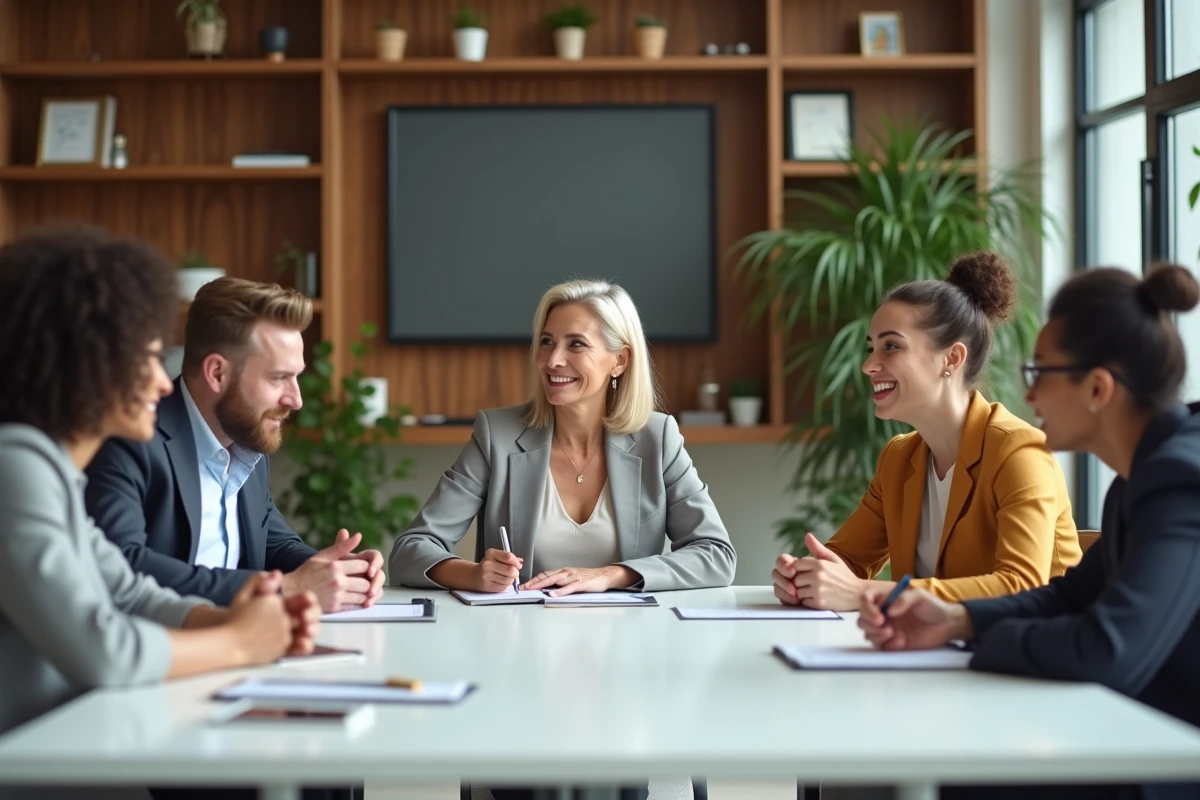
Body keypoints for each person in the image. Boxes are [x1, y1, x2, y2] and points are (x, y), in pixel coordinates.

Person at [858, 263, 1200, 800]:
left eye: (1040, 372)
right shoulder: (1139, 480)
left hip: (1164, 751)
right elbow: (1069, 594)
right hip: (1138, 725)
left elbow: (1107, 649)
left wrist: (972, 639)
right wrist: (955, 617)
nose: (1030, 394)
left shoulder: (1178, 481)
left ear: (1097, 387)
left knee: (954, 776)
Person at [0, 227, 320, 784]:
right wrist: (240, 641)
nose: (162, 382)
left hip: (76, 740)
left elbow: (125, 589)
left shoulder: (51, 471)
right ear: (84, 365)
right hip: (42, 760)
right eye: (145, 360)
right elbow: (106, 651)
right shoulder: (15, 469)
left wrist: (237, 618)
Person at [389, 278, 736, 598]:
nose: (553, 360)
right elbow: (410, 551)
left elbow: (716, 556)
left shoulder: (657, 438)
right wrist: (473, 574)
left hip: (629, 645)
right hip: (519, 640)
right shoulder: (498, 435)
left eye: (576, 345)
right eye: (547, 342)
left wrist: (612, 575)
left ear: (619, 360)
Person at [773, 251, 1080, 611]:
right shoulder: (899, 458)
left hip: (1033, 657)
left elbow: (1020, 586)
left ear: (951, 359)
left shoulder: (1020, 453)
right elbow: (846, 563)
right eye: (871, 348)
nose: (869, 365)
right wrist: (808, 577)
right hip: (939, 656)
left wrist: (864, 593)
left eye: (891, 346)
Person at [84, 277, 384, 613]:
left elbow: (274, 542)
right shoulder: (130, 441)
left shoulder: (246, 442)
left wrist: (337, 571)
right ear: (216, 373)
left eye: (296, 376)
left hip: (243, 647)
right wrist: (283, 589)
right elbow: (123, 565)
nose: (296, 400)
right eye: (278, 377)